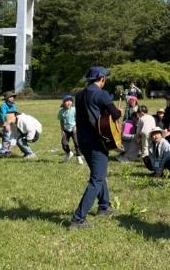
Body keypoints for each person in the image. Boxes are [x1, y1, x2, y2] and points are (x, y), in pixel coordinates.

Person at [70, 66, 122, 230]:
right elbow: (115, 114)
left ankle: (104, 206)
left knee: (99, 174)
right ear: (102, 79)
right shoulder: (101, 94)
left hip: (83, 141)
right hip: (97, 142)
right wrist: (119, 111)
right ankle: (78, 219)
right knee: (97, 179)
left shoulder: (79, 95)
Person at [58, 94, 83, 164]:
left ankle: (78, 156)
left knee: (77, 143)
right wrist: (62, 130)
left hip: (74, 129)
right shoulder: (61, 111)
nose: (69, 102)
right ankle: (69, 153)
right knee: (64, 143)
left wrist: (76, 127)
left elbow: (78, 119)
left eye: (70, 101)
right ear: (63, 103)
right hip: (66, 130)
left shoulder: (74, 110)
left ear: (72, 102)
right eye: (67, 101)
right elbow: (61, 121)